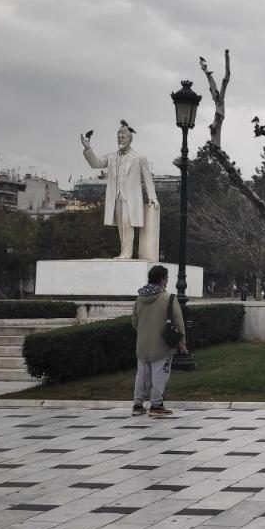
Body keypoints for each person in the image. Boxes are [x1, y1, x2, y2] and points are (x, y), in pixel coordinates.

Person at [81, 121, 159, 260]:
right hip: (116, 196)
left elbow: (148, 178)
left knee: (127, 222)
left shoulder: (139, 157)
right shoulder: (111, 156)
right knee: (121, 226)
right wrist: (88, 149)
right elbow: (96, 163)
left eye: (123, 137)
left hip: (131, 198)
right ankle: (124, 251)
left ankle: (126, 253)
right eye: (119, 137)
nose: (120, 139)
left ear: (130, 139)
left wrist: (152, 197)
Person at [132, 264, 185, 418]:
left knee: (142, 374)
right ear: (162, 280)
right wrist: (182, 342)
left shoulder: (140, 298)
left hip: (142, 344)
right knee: (160, 374)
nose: (167, 281)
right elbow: (178, 322)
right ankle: (156, 405)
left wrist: (143, 332)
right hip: (162, 345)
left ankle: (138, 404)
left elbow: (134, 321)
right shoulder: (168, 298)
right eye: (167, 278)